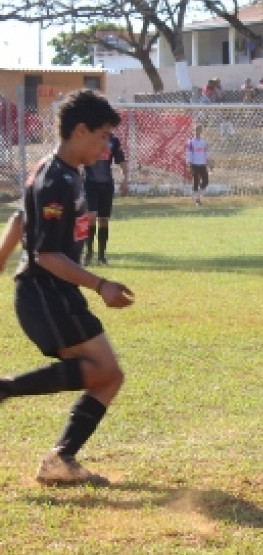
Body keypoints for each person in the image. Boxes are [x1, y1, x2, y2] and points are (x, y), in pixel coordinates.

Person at [0, 89, 134, 486]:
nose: (107, 146)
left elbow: (20, 218)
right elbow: (46, 256)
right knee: (104, 372)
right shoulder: (55, 179)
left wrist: (2, 255)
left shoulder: (59, 170)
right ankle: (9, 395)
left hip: (56, 292)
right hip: (45, 293)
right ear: (80, 130)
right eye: (103, 136)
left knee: (108, 375)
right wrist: (101, 284)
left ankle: (60, 459)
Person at [82, 130, 127, 266]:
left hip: (106, 185)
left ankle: (101, 257)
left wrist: (125, 179)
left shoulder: (113, 140)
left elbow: (121, 160)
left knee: (104, 220)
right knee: (91, 216)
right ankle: (89, 253)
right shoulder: (89, 137)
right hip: (90, 183)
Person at [186, 125, 209, 206]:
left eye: (199, 130)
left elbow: (206, 152)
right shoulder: (191, 142)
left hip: (202, 164)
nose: (197, 132)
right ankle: (197, 200)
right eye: (196, 130)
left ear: (201, 131)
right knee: (196, 181)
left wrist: (208, 161)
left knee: (205, 181)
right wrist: (189, 164)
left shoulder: (204, 142)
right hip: (194, 164)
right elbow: (189, 153)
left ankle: (197, 194)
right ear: (194, 131)